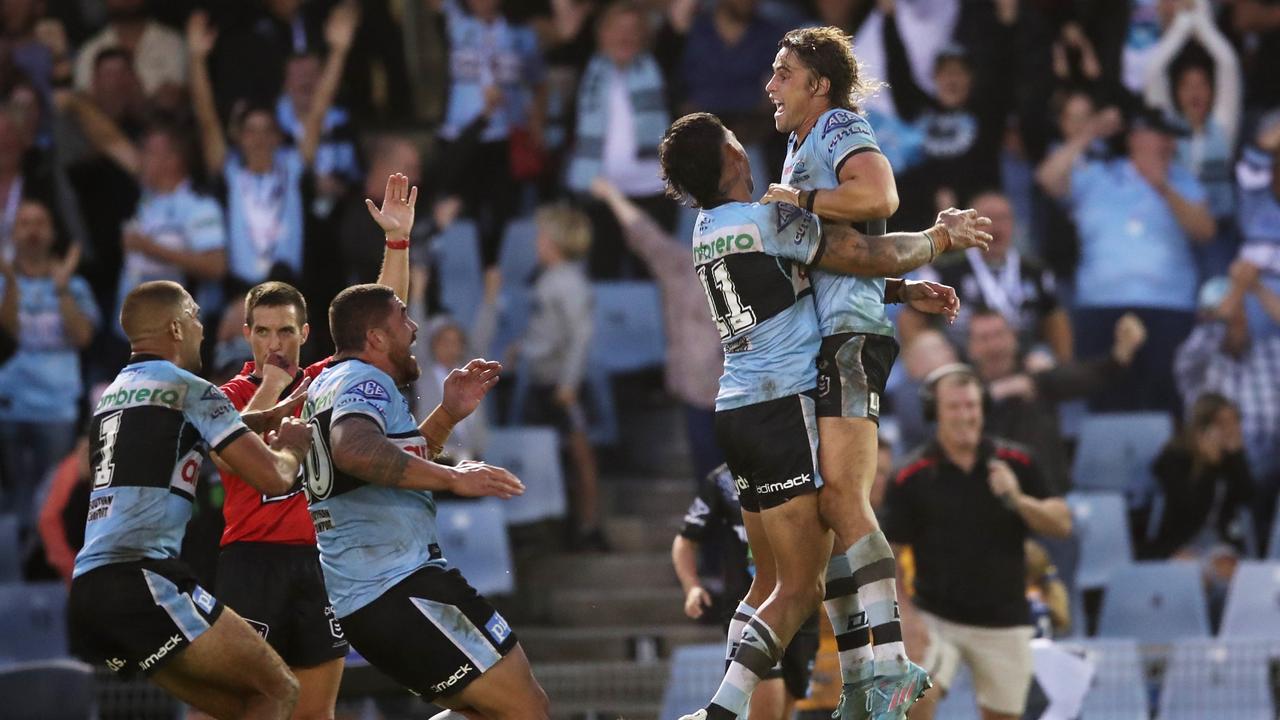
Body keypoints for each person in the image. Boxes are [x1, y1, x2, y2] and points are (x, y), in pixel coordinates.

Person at [659, 111, 988, 720]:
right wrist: (940, 240)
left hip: (733, 411)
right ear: (732, 159)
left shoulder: (708, 229)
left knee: (766, 583)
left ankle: (836, 687)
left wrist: (903, 292)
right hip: (783, 407)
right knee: (799, 588)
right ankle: (720, 712)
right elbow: (860, 252)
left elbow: (803, 280)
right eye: (737, 140)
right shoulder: (773, 218)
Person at [760, 26, 972, 717]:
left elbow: (878, 194)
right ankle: (868, 665)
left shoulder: (839, 124)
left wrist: (801, 204)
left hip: (850, 342)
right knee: (829, 510)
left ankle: (892, 662)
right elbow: (844, 257)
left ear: (819, 83)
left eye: (783, 73)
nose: (772, 86)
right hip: (834, 331)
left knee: (845, 503)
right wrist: (902, 288)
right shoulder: (798, 146)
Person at [211, 172, 415, 720]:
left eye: (285, 332)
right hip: (251, 560)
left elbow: (383, 320)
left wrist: (397, 241)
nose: (274, 344)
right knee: (243, 706)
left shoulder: (328, 379)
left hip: (323, 559)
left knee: (315, 711)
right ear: (246, 334)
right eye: (263, 332)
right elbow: (223, 448)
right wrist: (274, 390)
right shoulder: (226, 396)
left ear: (305, 334)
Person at [69, 280, 314, 717]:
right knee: (278, 690)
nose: (202, 328)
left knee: (243, 707)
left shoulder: (111, 395)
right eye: (196, 317)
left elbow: (185, 433)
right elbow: (275, 479)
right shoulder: (191, 387)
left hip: (90, 587)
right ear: (177, 329)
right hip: (143, 578)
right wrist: (293, 443)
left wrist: (267, 413)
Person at [301, 283, 546, 716]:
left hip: (367, 601)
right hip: (403, 588)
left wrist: (448, 414)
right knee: (528, 710)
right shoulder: (365, 380)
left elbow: (388, 464)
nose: (414, 328)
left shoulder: (327, 384)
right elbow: (354, 450)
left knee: (485, 713)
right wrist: (453, 479)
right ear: (376, 338)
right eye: (402, 318)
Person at [883, 365, 1071, 720]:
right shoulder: (910, 475)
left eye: (971, 406)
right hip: (936, 615)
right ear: (933, 413)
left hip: (1005, 618)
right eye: (954, 407)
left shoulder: (1019, 462)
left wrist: (1018, 500)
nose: (965, 415)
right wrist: (905, 616)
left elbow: (1062, 524)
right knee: (916, 700)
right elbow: (889, 554)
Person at [187, 2, 358, 293]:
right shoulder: (227, 170)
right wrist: (196, 59)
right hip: (240, 293)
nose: (259, 138)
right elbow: (206, 119)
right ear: (238, 137)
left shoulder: (292, 165)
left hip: (290, 291)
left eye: (267, 130)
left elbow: (317, 111)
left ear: (279, 137)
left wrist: (339, 52)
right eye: (250, 131)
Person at [589, 176, 724, 484]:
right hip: (701, 389)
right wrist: (611, 195)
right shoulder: (681, 266)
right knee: (711, 480)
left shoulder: (756, 263)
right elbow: (644, 235)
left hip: (743, 390)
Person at [673, 463, 820, 720]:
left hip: (801, 609)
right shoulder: (722, 481)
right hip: (750, 605)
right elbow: (685, 540)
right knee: (768, 700)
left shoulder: (806, 464)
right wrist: (691, 586)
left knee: (787, 702)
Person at [967, 309, 1147, 494]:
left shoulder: (1036, 375)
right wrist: (997, 392)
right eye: (984, 338)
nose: (994, 346)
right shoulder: (964, 386)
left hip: (1047, 492)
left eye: (999, 335)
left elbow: (1090, 376)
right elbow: (942, 406)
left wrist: (1121, 352)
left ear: (1014, 338)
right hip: (988, 494)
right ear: (971, 348)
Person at [506, 203, 602, 548]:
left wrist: (569, 384)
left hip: (561, 385)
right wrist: (524, 349)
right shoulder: (547, 278)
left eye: (543, 236)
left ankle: (590, 526)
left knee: (580, 455)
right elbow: (545, 332)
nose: (537, 242)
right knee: (544, 456)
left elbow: (580, 334)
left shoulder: (570, 282)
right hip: (540, 380)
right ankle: (553, 526)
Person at [0, 200, 97, 537]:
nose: (33, 230)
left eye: (40, 222)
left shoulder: (76, 285)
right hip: (9, 404)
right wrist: (11, 285)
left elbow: (83, 337)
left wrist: (61, 289)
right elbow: (6, 336)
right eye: (24, 223)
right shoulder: (2, 282)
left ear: (53, 232)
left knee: (52, 498)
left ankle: (46, 567)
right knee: (12, 501)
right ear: (12, 234)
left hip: (56, 408)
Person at [1174, 261, 1280, 549]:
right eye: (1224, 315)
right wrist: (1236, 291)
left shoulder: (1270, 352)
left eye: (1239, 313)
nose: (1233, 321)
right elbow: (1211, 333)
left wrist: (1255, 287)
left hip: (1272, 455)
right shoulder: (1194, 361)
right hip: (1220, 466)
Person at [903, 191, 1073, 362]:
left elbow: (1055, 318)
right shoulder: (945, 270)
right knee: (928, 345)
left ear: (1014, 224)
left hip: (1022, 360)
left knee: (1042, 361)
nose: (996, 226)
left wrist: (1063, 364)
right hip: (959, 360)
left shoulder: (1035, 272)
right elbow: (911, 318)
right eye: (988, 218)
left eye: (1003, 218)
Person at [1145, 392, 1253, 561]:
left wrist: (1237, 456)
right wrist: (1208, 466)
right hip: (1180, 541)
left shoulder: (1230, 460)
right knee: (1192, 569)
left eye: (1235, 422)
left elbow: (1248, 497)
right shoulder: (1175, 458)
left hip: (1221, 541)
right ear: (1203, 428)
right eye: (1223, 424)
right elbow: (1187, 508)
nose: (1232, 430)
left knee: (1225, 568)